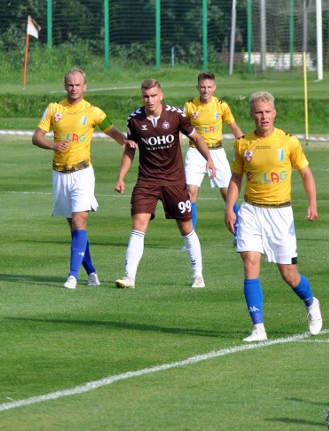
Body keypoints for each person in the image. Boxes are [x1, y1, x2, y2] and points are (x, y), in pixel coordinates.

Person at [225, 91, 322, 342]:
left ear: (274, 113)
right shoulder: (243, 143)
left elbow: (306, 174)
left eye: (267, 111)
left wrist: (312, 203)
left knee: (289, 274)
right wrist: (229, 207)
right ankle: (258, 328)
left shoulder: (288, 142)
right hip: (251, 211)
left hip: (281, 214)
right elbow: (236, 177)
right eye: (258, 112)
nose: (263, 116)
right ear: (252, 115)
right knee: (249, 263)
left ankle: (311, 303)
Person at [114, 79, 215, 289]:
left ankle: (198, 276)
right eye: (145, 96)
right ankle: (129, 277)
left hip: (174, 181)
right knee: (138, 224)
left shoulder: (175, 115)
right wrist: (121, 177)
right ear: (142, 97)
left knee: (186, 227)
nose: (149, 100)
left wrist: (209, 159)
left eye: (153, 95)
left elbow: (197, 137)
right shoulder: (134, 120)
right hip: (147, 181)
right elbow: (130, 149)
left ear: (161, 95)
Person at [32, 69, 128, 289]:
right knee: (75, 228)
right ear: (65, 86)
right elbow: (36, 137)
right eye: (70, 85)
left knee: (79, 221)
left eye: (78, 85)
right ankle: (92, 272)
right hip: (60, 173)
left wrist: (129, 142)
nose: (73, 88)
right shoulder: (54, 109)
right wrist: (53, 145)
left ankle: (72, 276)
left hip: (83, 173)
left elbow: (113, 132)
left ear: (85, 86)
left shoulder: (94, 112)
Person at [183, 72, 244, 234]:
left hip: (217, 152)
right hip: (195, 152)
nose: (206, 90)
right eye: (203, 87)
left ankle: (238, 234)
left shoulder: (221, 105)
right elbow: (179, 128)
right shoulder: (189, 106)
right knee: (190, 192)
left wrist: (246, 145)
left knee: (228, 194)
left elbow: (234, 128)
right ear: (197, 87)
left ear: (214, 88)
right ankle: (190, 238)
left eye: (209, 87)